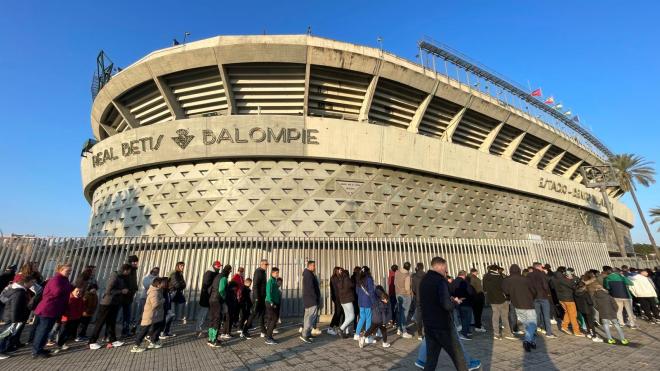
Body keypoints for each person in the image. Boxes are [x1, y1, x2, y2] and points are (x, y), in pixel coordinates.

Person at [420, 257, 475, 370]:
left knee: (431, 359)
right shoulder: (440, 281)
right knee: (458, 357)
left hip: (429, 325)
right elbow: (447, 305)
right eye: (445, 266)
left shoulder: (424, 280)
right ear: (440, 266)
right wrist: (455, 302)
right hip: (443, 326)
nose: (446, 269)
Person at [31, 263, 73, 358]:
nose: (69, 272)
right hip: (47, 309)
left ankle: (40, 348)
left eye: (70, 271)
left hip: (53, 310)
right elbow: (56, 292)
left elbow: (66, 289)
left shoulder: (64, 279)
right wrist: (67, 289)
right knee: (42, 331)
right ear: (60, 270)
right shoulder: (56, 279)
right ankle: (36, 352)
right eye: (67, 271)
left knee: (46, 330)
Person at [89, 264, 131, 350]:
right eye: (129, 271)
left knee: (111, 323)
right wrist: (121, 291)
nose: (129, 273)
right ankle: (92, 341)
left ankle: (113, 340)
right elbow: (108, 290)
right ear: (125, 270)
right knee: (100, 322)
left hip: (115, 303)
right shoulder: (114, 275)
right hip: (107, 303)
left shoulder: (121, 277)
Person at [502, 264, 537, 352]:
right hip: (528, 304)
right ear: (519, 270)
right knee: (532, 323)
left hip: (516, 304)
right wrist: (531, 297)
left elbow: (505, 291)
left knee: (526, 323)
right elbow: (534, 291)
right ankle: (528, 341)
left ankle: (532, 341)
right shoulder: (526, 279)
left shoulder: (506, 280)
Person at [0, 274, 35, 359]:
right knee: (5, 334)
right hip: (12, 317)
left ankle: (5, 349)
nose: (32, 284)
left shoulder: (13, 289)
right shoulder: (19, 292)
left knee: (6, 334)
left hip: (9, 315)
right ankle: (1, 351)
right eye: (31, 282)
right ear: (25, 282)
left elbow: (4, 299)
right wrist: (15, 320)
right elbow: (15, 307)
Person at [131, 277, 165, 352]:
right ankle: (136, 346)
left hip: (154, 315)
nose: (164, 284)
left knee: (154, 329)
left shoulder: (158, 290)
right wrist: (162, 300)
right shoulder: (154, 292)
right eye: (162, 283)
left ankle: (153, 342)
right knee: (144, 331)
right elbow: (155, 304)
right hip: (149, 315)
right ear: (158, 284)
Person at [482, 264, 514, 340]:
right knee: (504, 317)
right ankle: (508, 333)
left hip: (492, 300)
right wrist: (507, 297)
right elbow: (505, 288)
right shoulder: (499, 277)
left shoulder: (485, 276)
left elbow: (485, 289)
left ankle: (496, 334)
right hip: (502, 299)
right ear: (496, 269)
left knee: (495, 316)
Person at [527, 262, 556, 338]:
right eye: (541, 267)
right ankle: (549, 333)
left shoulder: (529, 275)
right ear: (539, 267)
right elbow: (545, 285)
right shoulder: (542, 274)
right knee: (546, 315)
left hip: (534, 297)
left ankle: (535, 331)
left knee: (536, 315)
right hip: (543, 296)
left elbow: (528, 287)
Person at [242, 259, 268, 338]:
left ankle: (263, 331)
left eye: (267, 264)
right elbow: (255, 286)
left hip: (262, 297)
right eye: (266, 264)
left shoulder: (263, 272)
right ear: (262, 264)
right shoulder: (258, 272)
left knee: (262, 314)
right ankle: (244, 331)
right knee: (253, 314)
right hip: (258, 298)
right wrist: (256, 298)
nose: (267, 266)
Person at [552, 267, 581, 336]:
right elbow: (573, 286)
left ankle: (564, 326)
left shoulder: (555, 278)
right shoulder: (564, 279)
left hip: (561, 299)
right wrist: (572, 279)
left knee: (567, 312)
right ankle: (576, 331)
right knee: (573, 315)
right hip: (569, 299)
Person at [54, 287, 84, 352]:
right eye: (77, 291)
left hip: (75, 318)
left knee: (68, 332)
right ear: (72, 291)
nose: (78, 293)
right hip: (66, 319)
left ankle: (63, 343)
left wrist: (79, 315)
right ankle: (59, 345)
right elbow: (63, 308)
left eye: (80, 291)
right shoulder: (68, 298)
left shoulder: (80, 299)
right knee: (62, 332)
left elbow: (81, 308)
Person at [196, 262, 220, 336]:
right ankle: (198, 330)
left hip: (210, 297)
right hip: (206, 298)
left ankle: (204, 330)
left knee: (209, 315)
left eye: (219, 266)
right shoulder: (209, 273)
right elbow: (207, 286)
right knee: (202, 314)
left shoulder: (213, 273)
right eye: (217, 266)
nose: (219, 268)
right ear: (213, 266)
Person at [574, 276, 601, 342]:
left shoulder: (575, 293)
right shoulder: (585, 293)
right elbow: (590, 302)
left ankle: (589, 333)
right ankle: (594, 336)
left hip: (581, 309)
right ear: (583, 287)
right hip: (588, 309)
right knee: (591, 323)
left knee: (586, 321)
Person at [207, 265, 228, 347]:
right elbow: (221, 290)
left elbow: (211, 288)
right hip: (217, 300)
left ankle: (210, 338)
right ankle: (214, 340)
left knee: (212, 318)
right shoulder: (224, 278)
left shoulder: (217, 276)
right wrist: (223, 297)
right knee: (217, 319)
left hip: (211, 299)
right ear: (228, 271)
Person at [300, 260, 320, 344]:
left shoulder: (308, 274)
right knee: (310, 317)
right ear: (310, 266)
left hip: (309, 299)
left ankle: (307, 334)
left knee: (307, 316)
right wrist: (315, 297)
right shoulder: (308, 275)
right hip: (311, 299)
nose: (315, 267)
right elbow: (310, 288)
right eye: (314, 266)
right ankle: (305, 335)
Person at [355, 266, 375, 344]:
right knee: (368, 319)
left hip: (360, 301)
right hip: (367, 301)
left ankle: (356, 334)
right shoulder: (369, 279)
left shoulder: (359, 279)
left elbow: (357, 291)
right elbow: (371, 291)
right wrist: (373, 301)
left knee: (362, 318)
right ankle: (367, 337)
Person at [120, 255, 139, 337]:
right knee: (123, 314)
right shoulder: (126, 270)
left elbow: (133, 282)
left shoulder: (134, 270)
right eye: (134, 261)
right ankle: (108, 335)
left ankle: (125, 331)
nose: (136, 263)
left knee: (127, 315)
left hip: (129, 296)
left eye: (136, 261)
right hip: (123, 296)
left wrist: (135, 288)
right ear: (130, 262)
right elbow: (122, 281)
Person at [451, 270, 474, 340]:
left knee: (463, 317)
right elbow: (470, 292)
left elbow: (451, 292)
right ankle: (464, 333)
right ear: (464, 275)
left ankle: (466, 331)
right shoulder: (465, 282)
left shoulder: (453, 282)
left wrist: (456, 299)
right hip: (466, 302)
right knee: (467, 318)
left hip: (458, 302)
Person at [135, 267, 159, 332]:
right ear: (151, 271)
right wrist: (155, 282)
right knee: (142, 313)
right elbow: (146, 285)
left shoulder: (158, 279)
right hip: (144, 298)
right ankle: (136, 327)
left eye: (157, 272)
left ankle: (147, 329)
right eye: (154, 271)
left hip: (153, 298)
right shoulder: (146, 278)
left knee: (151, 314)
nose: (155, 273)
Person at [334, 267, 355, 338]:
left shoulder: (340, 280)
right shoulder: (347, 279)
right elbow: (352, 285)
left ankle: (346, 332)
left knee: (347, 317)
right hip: (348, 300)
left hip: (342, 301)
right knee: (352, 316)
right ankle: (341, 329)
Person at [394, 262, 413, 338]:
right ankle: (404, 331)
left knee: (400, 311)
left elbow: (395, 282)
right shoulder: (407, 275)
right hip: (405, 295)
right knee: (405, 313)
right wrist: (410, 294)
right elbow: (407, 288)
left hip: (398, 293)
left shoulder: (397, 272)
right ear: (409, 268)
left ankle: (399, 329)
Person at [264, 267, 281, 345]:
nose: (277, 274)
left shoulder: (274, 281)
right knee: (273, 319)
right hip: (270, 303)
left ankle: (269, 336)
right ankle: (268, 338)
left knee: (272, 319)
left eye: (278, 273)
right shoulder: (270, 281)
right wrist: (271, 302)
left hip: (274, 302)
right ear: (272, 273)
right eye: (276, 273)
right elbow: (268, 292)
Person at [467, 268, 486, 333]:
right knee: (477, 313)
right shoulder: (472, 278)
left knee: (477, 313)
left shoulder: (470, 277)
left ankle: (478, 325)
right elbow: (472, 288)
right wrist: (477, 294)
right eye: (477, 272)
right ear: (474, 272)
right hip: (477, 297)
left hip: (476, 297)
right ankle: (478, 326)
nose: (477, 273)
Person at [411, 262, 426, 340]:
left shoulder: (414, 277)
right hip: (427, 299)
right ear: (423, 267)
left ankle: (420, 334)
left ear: (417, 267)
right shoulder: (427, 276)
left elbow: (413, 289)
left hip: (418, 299)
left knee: (419, 317)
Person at [221, 265, 237, 340]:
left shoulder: (228, 291)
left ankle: (224, 333)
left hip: (227, 307)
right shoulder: (231, 293)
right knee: (229, 320)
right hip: (229, 308)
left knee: (226, 320)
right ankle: (227, 333)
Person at [327, 267, 344, 335]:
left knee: (339, 312)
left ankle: (336, 326)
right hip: (337, 298)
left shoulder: (335, 278)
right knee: (338, 312)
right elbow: (338, 288)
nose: (340, 272)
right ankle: (330, 327)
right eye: (339, 270)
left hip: (338, 298)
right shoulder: (335, 278)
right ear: (336, 271)